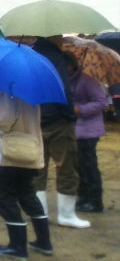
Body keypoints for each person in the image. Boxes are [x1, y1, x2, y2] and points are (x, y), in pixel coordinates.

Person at [29, 37, 90, 228]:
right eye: (60, 35)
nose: (62, 39)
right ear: (52, 36)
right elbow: (64, 91)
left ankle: (40, 214)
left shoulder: (29, 55)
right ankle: (66, 214)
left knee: (37, 169)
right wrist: (70, 115)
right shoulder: (57, 57)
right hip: (58, 120)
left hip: (35, 119)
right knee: (67, 167)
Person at [0, 91, 52, 258]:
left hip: (10, 151)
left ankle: (17, 245)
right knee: (27, 194)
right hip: (30, 148)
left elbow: (4, 121)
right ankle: (44, 241)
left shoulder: (6, 90)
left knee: (5, 197)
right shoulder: (32, 92)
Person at [65, 52, 107, 213]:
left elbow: (102, 102)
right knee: (78, 166)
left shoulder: (86, 80)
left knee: (88, 165)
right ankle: (83, 196)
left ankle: (95, 200)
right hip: (75, 129)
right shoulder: (67, 80)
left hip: (89, 130)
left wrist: (80, 109)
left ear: (71, 65)